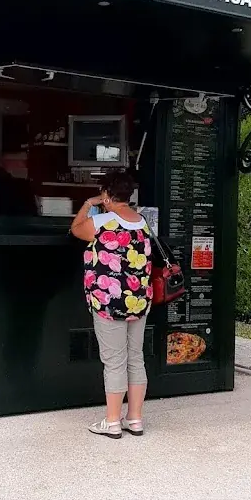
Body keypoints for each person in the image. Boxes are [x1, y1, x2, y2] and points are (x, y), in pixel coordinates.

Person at [71, 169, 152, 438]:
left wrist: (88, 203)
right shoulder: (142, 222)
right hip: (138, 301)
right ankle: (136, 419)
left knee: (114, 361)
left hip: (109, 303)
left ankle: (113, 421)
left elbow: (75, 229)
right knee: (135, 358)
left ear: (106, 194)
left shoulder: (103, 221)